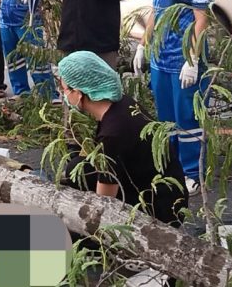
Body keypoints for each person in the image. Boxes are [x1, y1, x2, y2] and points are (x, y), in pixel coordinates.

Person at [132, 0, 218, 191]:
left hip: (184, 60)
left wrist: (192, 58)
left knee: (188, 118)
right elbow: (156, 13)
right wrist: (143, 46)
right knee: (165, 118)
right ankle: (170, 167)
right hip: (160, 59)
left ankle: (192, 172)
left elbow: (201, 20)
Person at [56, 51, 188, 226]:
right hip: (169, 194)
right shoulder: (122, 104)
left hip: (157, 212)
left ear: (79, 93)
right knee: (78, 168)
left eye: (64, 89)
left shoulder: (113, 135)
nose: (63, 94)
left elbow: (104, 201)